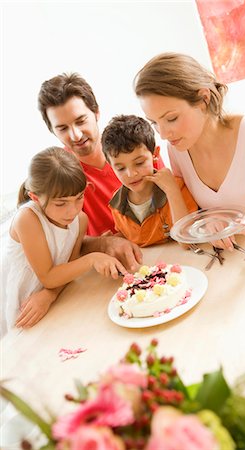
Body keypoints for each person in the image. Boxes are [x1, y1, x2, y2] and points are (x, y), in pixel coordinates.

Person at [133, 52, 245, 247]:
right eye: (154, 123)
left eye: (171, 119)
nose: (163, 134)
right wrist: (210, 222)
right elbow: (193, 220)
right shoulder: (177, 149)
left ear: (204, 99)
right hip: (240, 258)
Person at [37, 73, 162, 264]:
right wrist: (103, 244)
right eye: (62, 128)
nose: (76, 135)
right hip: (115, 266)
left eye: (80, 121)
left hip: (161, 246)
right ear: (52, 131)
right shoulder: (58, 174)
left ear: (96, 113)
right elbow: (65, 244)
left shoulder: (135, 146)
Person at [0, 147, 127, 336]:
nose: (73, 210)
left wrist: (49, 294)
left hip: (51, 300)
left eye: (79, 198)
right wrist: (92, 259)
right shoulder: (27, 219)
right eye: (61, 203)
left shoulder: (80, 220)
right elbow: (48, 276)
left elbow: (67, 269)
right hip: (22, 305)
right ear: (35, 197)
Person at [101, 115, 198, 247]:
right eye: (121, 168)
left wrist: (172, 191)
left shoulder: (176, 187)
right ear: (110, 165)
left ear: (155, 154)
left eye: (139, 163)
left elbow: (186, 241)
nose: (131, 174)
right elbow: (129, 237)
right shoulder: (117, 205)